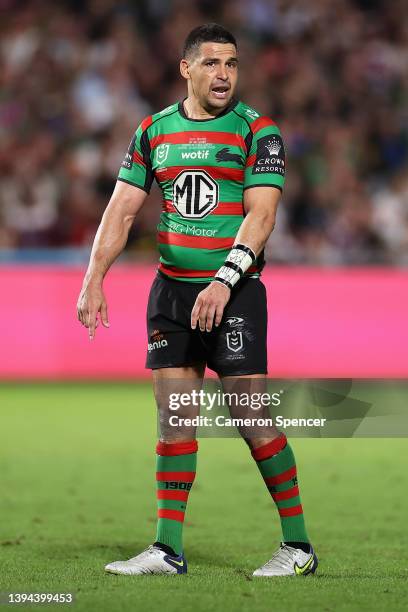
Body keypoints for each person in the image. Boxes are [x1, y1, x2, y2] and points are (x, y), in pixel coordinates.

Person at [77, 23, 317, 577]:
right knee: (175, 418)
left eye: (231, 63)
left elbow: (262, 216)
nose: (224, 74)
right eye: (211, 63)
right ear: (186, 69)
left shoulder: (259, 130)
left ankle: (298, 546)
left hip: (232, 294)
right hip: (171, 293)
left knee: (251, 417)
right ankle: (167, 549)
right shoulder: (153, 130)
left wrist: (224, 280)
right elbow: (122, 209)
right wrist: (94, 277)